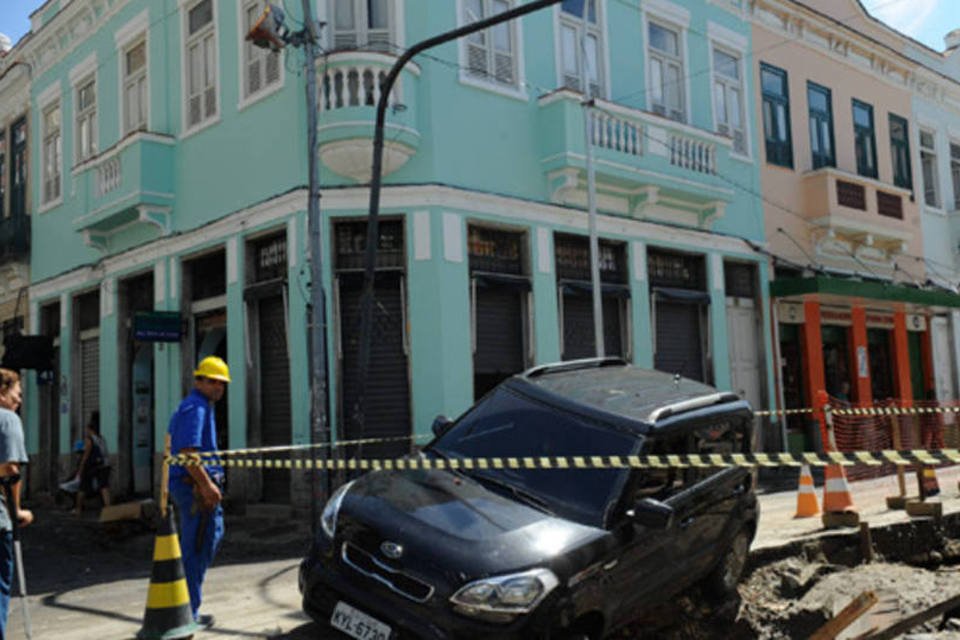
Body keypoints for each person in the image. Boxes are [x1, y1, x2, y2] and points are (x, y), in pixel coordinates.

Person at [167, 356, 230, 630]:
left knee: (203, 543)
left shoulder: (199, 406)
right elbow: (188, 452)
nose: (219, 387)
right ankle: (187, 612)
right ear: (199, 381)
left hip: (193, 488)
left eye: (222, 383)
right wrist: (205, 485)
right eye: (213, 381)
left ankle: (188, 608)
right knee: (198, 547)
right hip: (193, 490)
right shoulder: (196, 408)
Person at [0, 368, 32, 638]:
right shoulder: (8, 419)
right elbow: (10, 468)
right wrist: (17, 510)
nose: (19, 401)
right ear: (2, 393)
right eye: (16, 395)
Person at [72, 412, 111, 516]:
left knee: (82, 488)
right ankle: (109, 509)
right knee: (104, 487)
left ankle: (78, 509)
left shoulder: (89, 440)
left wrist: (80, 470)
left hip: (92, 467)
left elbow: (86, 456)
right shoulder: (101, 439)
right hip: (104, 465)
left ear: (90, 429)